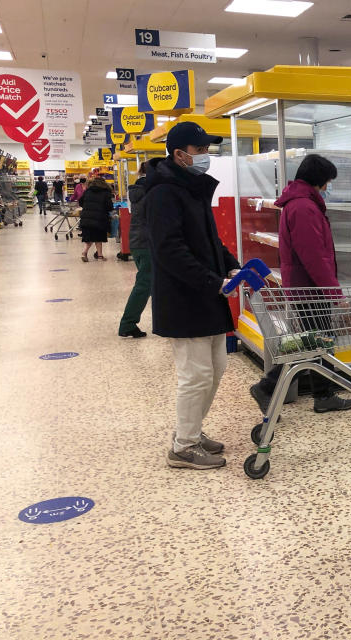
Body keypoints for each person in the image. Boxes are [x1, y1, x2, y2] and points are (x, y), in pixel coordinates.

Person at [143, 121, 240, 470]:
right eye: (200, 151)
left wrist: (230, 264)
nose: (206, 156)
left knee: (217, 366)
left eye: (207, 150)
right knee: (195, 374)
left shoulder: (192, 187)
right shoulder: (163, 193)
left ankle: (192, 432)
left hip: (206, 292)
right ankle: (183, 447)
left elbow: (209, 240)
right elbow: (169, 250)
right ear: (180, 155)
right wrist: (211, 281)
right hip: (185, 297)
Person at [249, 154, 351, 415]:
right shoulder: (304, 208)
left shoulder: (300, 203)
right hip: (310, 288)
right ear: (319, 180)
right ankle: (269, 386)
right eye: (327, 182)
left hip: (304, 285)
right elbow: (314, 256)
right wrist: (334, 292)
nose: (328, 187)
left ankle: (323, 394)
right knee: (313, 342)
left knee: (318, 341)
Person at [118, 164, 150, 338]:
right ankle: (127, 324)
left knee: (149, 284)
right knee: (144, 284)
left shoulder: (138, 189)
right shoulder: (151, 191)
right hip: (148, 243)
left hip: (138, 241)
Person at [78, 177, 112, 262]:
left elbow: (80, 202)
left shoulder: (87, 191)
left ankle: (85, 252)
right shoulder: (105, 192)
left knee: (89, 236)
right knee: (98, 237)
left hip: (86, 217)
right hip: (99, 217)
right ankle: (99, 256)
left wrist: (87, 207)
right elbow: (109, 206)